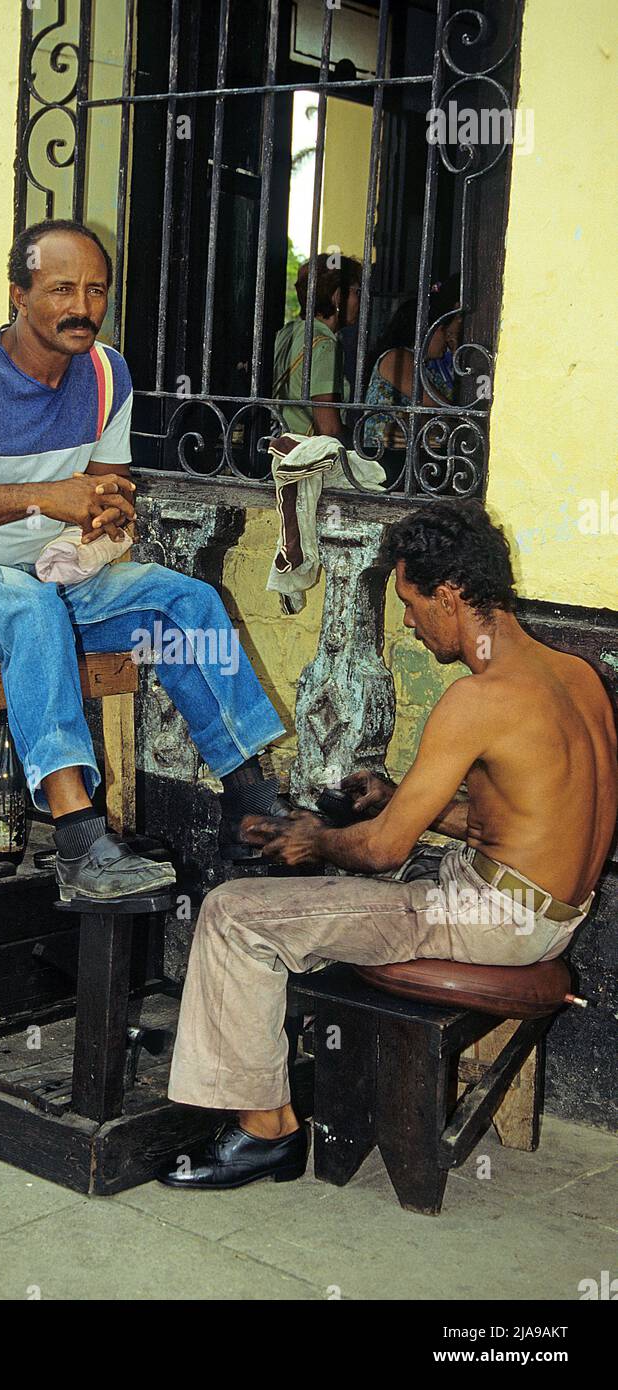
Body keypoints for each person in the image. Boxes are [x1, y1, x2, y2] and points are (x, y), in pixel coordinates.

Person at [160, 499, 617, 1189]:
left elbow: (378, 851)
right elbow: (523, 821)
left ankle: (266, 1133)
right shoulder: (575, 677)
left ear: (452, 594)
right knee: (352, 880)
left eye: (411, 601)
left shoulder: (479, 699)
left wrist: (315, 839)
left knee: (233, 914)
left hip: (489, 922)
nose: (407, 620)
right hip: (549, 914)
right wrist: (400, 795)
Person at [0, 219, 287, 900]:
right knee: (26, 606)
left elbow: (102, 491)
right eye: (62, 288)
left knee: (182, 599)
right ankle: (77, 842)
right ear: (18, 293)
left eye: (96, 290)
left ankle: (249, 805)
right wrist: (45, 496)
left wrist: (104, 516)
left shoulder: (105, 373)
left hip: (47, 578)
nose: (83, 306)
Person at [361, 276, 462, 489]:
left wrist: (456, 355)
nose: (449, 339)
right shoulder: (397, 358)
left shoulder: (428, 367)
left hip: (412, 460)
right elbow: (437, 405)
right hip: (387, 463)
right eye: (447, 332)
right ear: (430, 330)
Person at [272, 255, 362, 438]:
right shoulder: (325, 346)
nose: (361, 301)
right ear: (338, 296)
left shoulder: (289, 332)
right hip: (305, 457)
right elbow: (328, 429)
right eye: (357, 292)